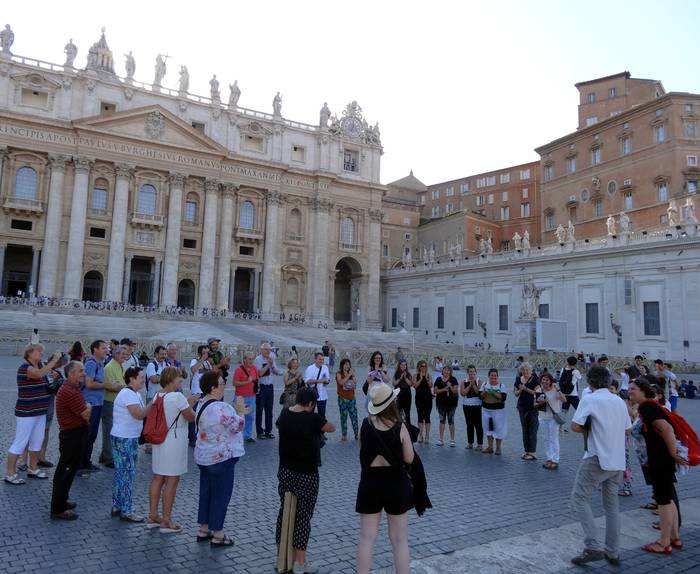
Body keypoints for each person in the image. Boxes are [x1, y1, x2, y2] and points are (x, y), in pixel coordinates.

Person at [570, 365, 631, 566]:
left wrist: (590, 425)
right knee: (612, 506)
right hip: (617, 460)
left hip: (597, 457)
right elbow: (627, 429)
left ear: (590, 382)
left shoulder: (590, 399)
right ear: (608, 381)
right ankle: (613, 551)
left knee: (579, 498)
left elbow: (576, 426)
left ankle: (592, 546)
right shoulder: (619, 401)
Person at [356, 383, 414, 574]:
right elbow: (409, 458)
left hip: (370, 483)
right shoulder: (400, 428)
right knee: (399, 539)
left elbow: (362, 451)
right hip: (395, 483)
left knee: (366, 537)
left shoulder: (365, 425)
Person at [276, 387, 336, 572]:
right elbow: (331, 427)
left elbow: (279, 424)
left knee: (283, 513)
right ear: (310, 404)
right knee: (303, 517)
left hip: (285, 471)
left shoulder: (285, 415)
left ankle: (280, 557)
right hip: (306, 474)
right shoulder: (313, 418)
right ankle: (300, 563)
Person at [629, 378, 686, 553]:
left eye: (634, 389)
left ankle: (664, 542)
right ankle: (675, 538)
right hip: (662, 460)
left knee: (663, 501)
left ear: (643, 390)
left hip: (659, 460)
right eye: (629, 388)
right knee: (668, 498)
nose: (630, 391)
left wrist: (672, 453)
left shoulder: (647, 407)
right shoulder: (651, 406)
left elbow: (667, 429)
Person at [195, 371, 249, 547]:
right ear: (213, 387)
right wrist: (241, 412)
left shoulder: (201, 404)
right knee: (220, 495)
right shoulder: (221, 407)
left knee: (207, 493)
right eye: (221, 383)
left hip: (204, 456)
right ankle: (218, 533)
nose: (224, 385)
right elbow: (237, 426)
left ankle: (204, 528)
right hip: (221, 458)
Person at [148, 367, 197, 533]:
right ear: (172, 379)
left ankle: (153, 515)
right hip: (174, 441)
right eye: (179, 379)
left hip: (159, 440)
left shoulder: (157, 395)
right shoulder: (177, 397)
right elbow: (190, 417)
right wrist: (190, 403)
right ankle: (166, 520)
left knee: (158, 478)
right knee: (172, 480)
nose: (180, 382)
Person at [5, 344, 63, 484]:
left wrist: (55, 378)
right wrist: (54, 361)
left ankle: (33, 468)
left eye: (42, 351)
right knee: (20, 442)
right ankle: (10, 474)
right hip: (27, 412)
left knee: (37, 441)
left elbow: (47, 385)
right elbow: (38, 374)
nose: (41, 353)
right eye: (38, 351)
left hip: (40, 411)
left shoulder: (40, 367)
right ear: (29, 353)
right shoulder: (25, 368)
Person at [110, 367, 152, 522]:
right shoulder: (128, 394)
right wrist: (152, 402)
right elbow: (139, 415)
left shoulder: (133, 393)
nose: (143, 379)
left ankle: (117, 505)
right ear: (132, 378)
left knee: (121, 472)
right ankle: (126, 510)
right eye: (141, 377)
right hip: (125, 438)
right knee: (127, 473)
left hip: (124, 436)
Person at [50, 361, 90, 519]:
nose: (83, 373)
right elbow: (85, 415)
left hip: (73, 434)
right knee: (65, 471)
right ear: (71, 374)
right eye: (81, 371)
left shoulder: (72, 388)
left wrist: (86, 407)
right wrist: (89, 407)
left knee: (69, 470)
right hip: (71, 435)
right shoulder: (70, 391)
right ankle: (57, 509)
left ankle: (62, 500)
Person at [79, 339, 115, 474]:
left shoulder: (100, 363)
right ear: (95, 349)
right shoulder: (91, 363)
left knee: (92, 434)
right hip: (90, 403)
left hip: (98, 403)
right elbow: (89, 384)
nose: (107, 350)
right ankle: (80, 464)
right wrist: (106, 385)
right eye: (104, 348)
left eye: (107, 348)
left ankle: (86, 462)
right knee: (87, 434)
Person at [100, 344, 126, 468]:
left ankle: (106, 454)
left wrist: (122, 386)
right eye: (123, 355)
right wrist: (124, 387)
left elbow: (121, 384)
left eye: (126, 355)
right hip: (109, 402)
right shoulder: (110, 367)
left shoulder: (120, 366)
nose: (125, 357)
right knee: (109, 430)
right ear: (116, 354)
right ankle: (108, 457)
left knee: (112, 429)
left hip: (116, 402)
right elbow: (113, 387)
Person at [537, 373, 566, 470]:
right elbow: (534, 404)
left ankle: (555, 460)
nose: (545, 381)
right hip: (542, 416)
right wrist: (541, 402)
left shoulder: (555, 390)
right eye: (543, 379)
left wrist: (558, 389)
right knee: (546, 438)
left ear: (551, 381)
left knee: (554, 438)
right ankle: (549, 458)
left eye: (547, 380)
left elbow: (564, 399)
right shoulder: (539, 390)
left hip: (553, 417)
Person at [254, 342, 281, 440]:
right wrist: (268, 365)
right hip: (261, 387)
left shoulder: (271, 358)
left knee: (269, 410)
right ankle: (259, 432)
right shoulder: (258, 359)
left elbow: (276, 371)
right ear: (261, 350)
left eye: (269, 350)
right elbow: (259, 373)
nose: (268, 351)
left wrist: (273, 366)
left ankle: (268, 431)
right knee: (259, 410)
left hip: (270, 387)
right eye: (266, 349)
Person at [514, 362, 540, 461]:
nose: (525, 371)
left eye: (527, 370)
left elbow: (537, 392)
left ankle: (533, 452)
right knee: (524, 429)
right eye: (523, 370)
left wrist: (526, 389)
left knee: (532, 430)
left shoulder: (535, 379)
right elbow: (516, 393)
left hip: (533, 408)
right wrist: (520, 390)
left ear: (531, 370)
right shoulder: (518, 380)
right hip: (522, 407)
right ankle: (527, 451)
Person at [189, 344, 212, 446]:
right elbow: (193, 370)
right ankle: (192, 439)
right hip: (196, 394)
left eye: (207, 352)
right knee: (193, 417)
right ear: (199, 354)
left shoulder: (208, 363)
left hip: (205, 394)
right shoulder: (195, 361)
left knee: (203, 418)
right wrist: (202, 359)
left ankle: (200, 438)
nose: (206, 354)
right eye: (204, 353)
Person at [480, 368, 507, 455]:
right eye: (492, 375)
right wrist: (485, 392)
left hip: (498, 411)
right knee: (488, 428)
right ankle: (490, 447)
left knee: (498, 429)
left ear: (497, 376)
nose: (493, 377)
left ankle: (498, 448)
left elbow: (503, 398)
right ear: (488, 376)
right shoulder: (484, 384)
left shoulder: (501, 386)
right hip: (486, 410)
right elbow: (480, 396)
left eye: (495, 375)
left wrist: (492, 392)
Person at [233, 352, 258, 443]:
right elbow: (235, 383)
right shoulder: (238, 370)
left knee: (250, 417)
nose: (251, 361)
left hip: (251, 396)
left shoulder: (254, 368)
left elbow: (255, 380)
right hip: (241, 397)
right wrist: (247, 382)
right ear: (244, 360)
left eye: (252, 359)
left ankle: (247, 435)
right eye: (249, 359)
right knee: (239, 418)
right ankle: (237, 436)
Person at [433, 365, 458, 447]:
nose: (446, 372)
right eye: (445, 370)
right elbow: (435, 391)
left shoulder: (453, 379)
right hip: (441, 403)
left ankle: (452, 440)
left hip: (451, 404)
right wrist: (444, 389)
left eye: (448, 370)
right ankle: (441, 439)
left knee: (451, 421)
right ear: (442, 371)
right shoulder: (438, 379)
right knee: (442, 421)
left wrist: (450, 386)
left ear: (450, 372)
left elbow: (455, 391)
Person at [460, 365, 483, 450]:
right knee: (469, 425)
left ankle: (480, 444)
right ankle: (470, 443)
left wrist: (474, 385)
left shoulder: (479, 381)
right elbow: (462, 393)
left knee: (478, 425)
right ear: (468, 372)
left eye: (473, 372)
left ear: (475, 372)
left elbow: (479, 393)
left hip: (477, 405)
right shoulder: (463, 381)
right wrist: (469, 385)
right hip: (467, 405)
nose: (472, 373)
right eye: (470, 372)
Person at [336, 358, 359, 440]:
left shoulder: (351, 374)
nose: (347, 366)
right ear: (342, 365)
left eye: (348, 364)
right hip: (342, 399)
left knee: (354, 417)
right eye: (345, 364)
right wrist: (349, 375)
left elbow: (355, 382)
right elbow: (341, 382)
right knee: (343, 417)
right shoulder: (339, 373)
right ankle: (344, 434)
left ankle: (356, 434)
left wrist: (352, 375)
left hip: (352, 398)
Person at [303, 352, 331, 418]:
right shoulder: (310, 368)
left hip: (323, 395)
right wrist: (319, 381)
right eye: (320, 359)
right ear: (315, 359)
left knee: (322, 415)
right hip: (312, 395)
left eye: (322, 359)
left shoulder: (325, 368)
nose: (321, 361)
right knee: (309, 414)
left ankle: (320, 428)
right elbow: (306, 381)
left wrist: (327, 381)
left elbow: (328, 379)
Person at [412, 360, 433, 444]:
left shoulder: (429, 375)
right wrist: (420, 378)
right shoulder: (415, 375)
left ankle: (427, 435)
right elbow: (415, 386)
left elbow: (431, 386)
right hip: (419, 399)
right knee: (420, 417)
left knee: (427, 417)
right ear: (418, 367)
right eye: (422, 366)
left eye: (425, 366)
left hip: (428, 399)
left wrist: (427, 379)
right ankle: (420, 435)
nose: (423, 367)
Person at [392, 360, 413, 425]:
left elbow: (410, 384)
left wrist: (405, 377)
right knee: (397, 412)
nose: (403, 366)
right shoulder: (396, 373)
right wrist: (400, 378)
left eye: (405, 365)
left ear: (406, 366)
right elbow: (394, 384)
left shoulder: (409, 374)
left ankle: (408, 429)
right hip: (398, 393)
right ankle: (396, 429)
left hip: (407, 394)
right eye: (402, 365)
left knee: (407, 413)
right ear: (399, 365)